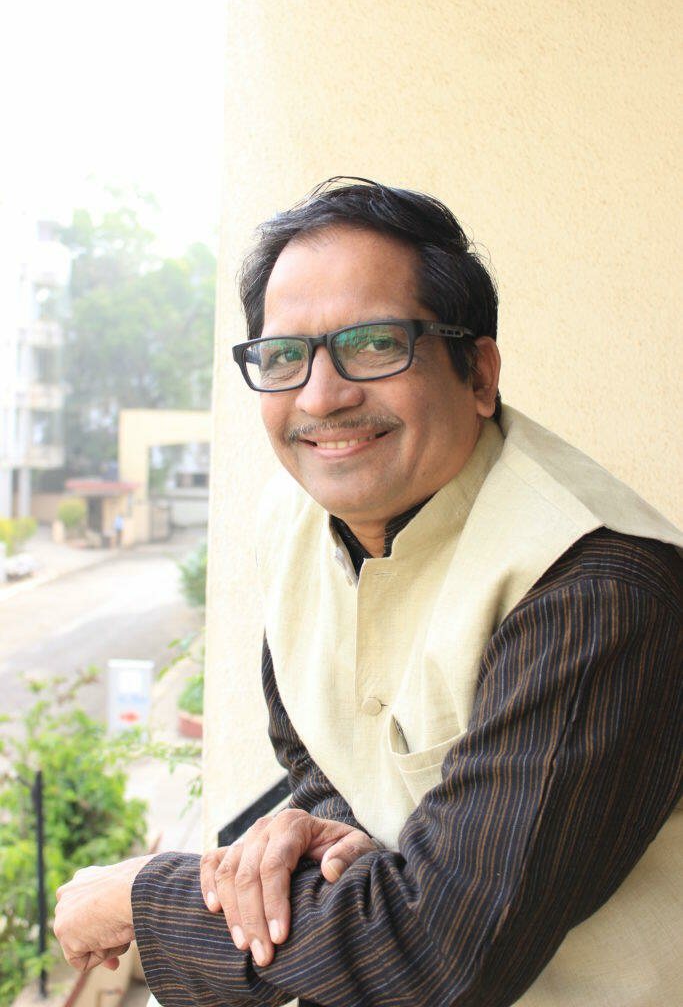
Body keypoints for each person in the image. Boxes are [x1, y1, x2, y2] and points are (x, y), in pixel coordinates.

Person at [54, 180, 682, 1006]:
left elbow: (438, 952)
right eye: (285, 356)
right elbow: (313, 753)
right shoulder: (295, 518)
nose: (321, 397)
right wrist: (323, 833)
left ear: (478, 372)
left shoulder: (598, 588)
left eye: (375, 343)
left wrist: (145, 896)